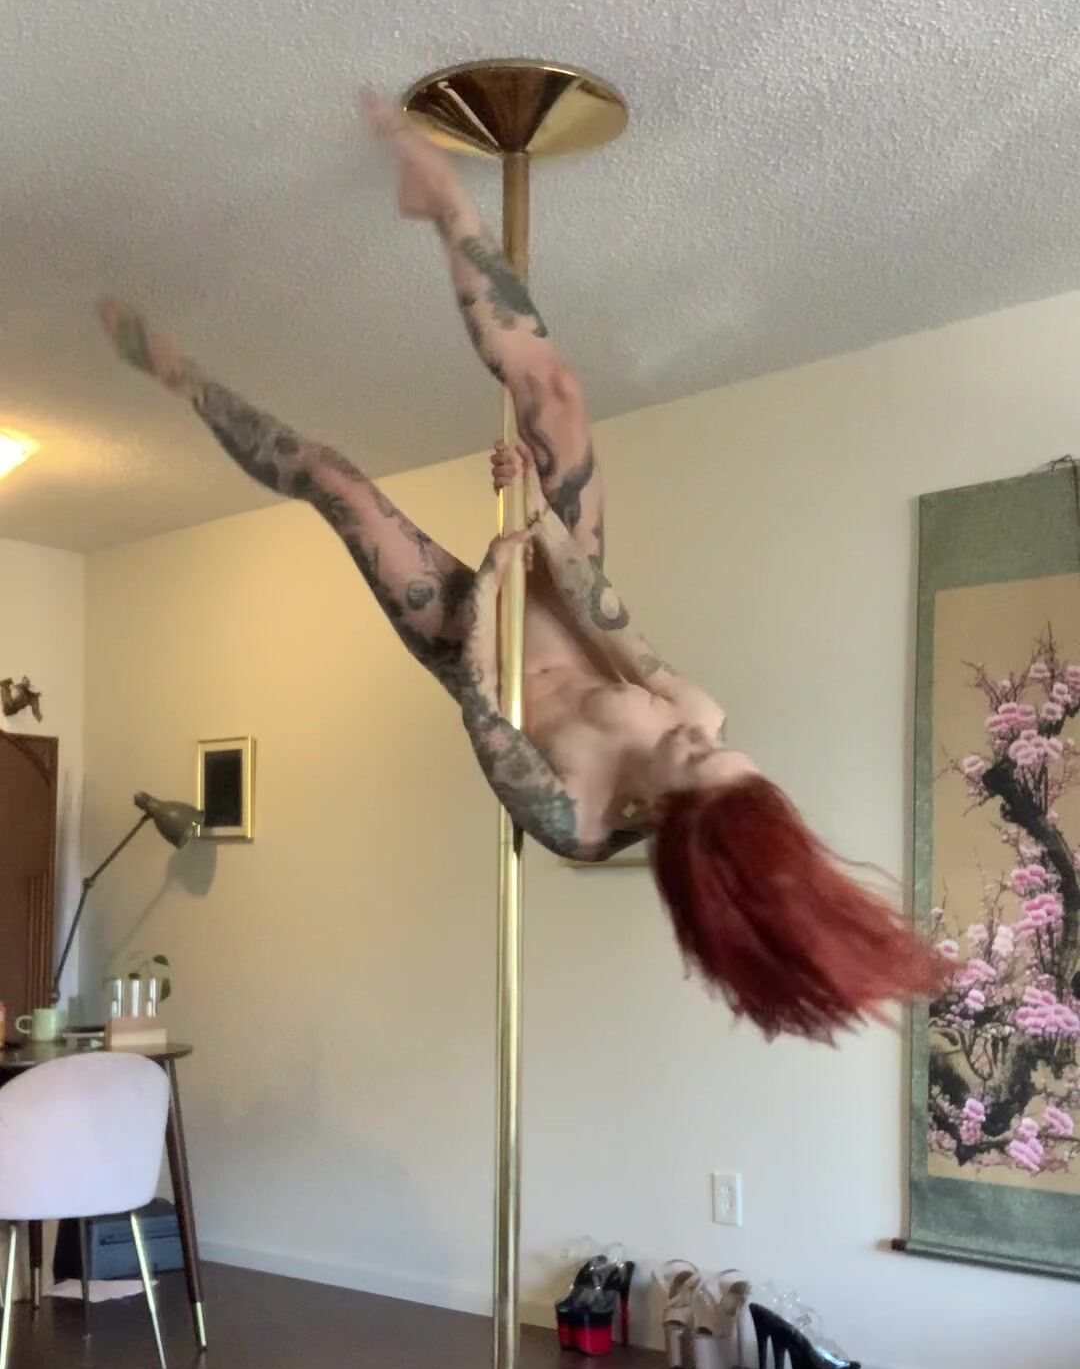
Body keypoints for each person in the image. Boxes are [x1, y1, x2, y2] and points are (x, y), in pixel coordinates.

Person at [96, 92, 942, 1039]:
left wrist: (495, 577)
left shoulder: (577, 818)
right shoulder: (699, 714)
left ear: (674, 817)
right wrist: (537, 522)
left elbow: (480, 701)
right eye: (721, 749)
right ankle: (444, 205)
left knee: (337, 483)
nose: (703, 735)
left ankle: (186, 382)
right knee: (557, 393)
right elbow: (612, 629)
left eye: (698, 759)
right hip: (563, 590)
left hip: (467, 636)